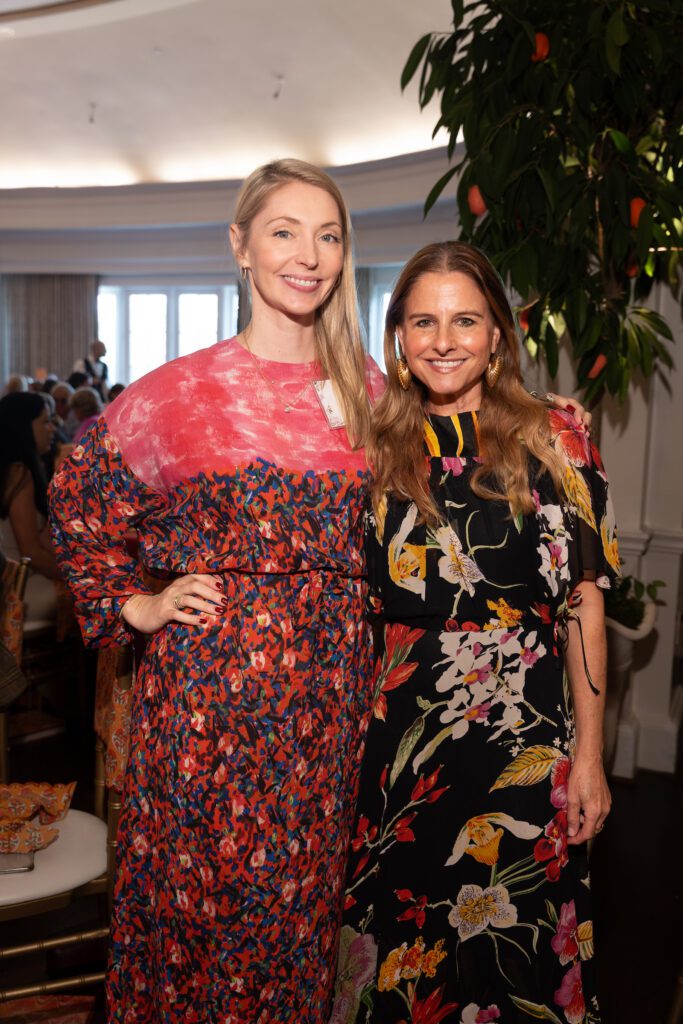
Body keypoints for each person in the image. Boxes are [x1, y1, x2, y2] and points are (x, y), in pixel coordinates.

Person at [49, 162, 587, 1023]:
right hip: (206, 709)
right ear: (240, 245)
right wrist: (134, 604)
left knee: (303, 928)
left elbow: (462, 418)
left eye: (327, 236)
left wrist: (542, 415)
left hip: (332, 713)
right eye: (283, 232)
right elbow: (78, 497)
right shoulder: (178, 393)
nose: (307, 255)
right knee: (196, 920)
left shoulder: (372, 392)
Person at [331, 242, 619, 1024]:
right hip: (400, 752)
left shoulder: (554, 440)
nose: (442, 340)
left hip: (520, 748)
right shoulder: (369, 446)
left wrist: (589, 760)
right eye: (422, 321)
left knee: (513, 949)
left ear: (497, 334)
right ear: (397, 335)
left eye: (464, 320)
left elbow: (582, 605)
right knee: (402, 951)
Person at [0, 392, 60, 624]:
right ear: (23, 427)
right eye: (45, 422)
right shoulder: (18, 474)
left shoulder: (16, 469)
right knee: (93, 600)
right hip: (17, 589)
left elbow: (44, 538)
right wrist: (78, 578)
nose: (52, 429)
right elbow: (31, 553)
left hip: (16, 581)